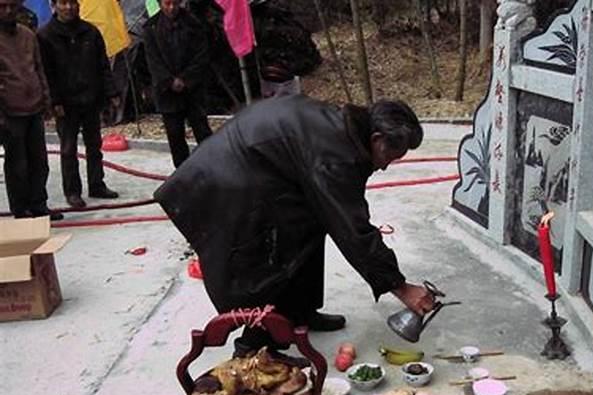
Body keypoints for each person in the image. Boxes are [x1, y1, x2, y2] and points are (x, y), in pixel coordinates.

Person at [154, 95, 436, 355]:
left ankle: (298, 313)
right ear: (376, 138)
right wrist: (400, 286)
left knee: (311, 224)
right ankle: (256, 346)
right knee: (271, 256)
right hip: (229, 181)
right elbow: (353, 229)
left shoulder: (346, 130)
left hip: (252, 166)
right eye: (390, 157)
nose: (386, 167)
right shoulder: (336, 154)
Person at [37, 0, 120, 209]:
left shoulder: (90, 32)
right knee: (68, 149)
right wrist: (54, 101)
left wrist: (111, 93)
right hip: (65, 104)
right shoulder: (45, 36)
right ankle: (72, 191)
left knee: (94, 145)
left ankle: (97, 184)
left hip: (90, 99)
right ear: (54, 5)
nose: (69, 7)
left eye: (72, 2)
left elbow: (103, 66)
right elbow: (46, 73)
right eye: (63, 3)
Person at [0, 0, 62, 220]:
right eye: (2, 7)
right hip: (9, 111)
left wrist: (46, 102)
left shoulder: (27, 35)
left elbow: (38, 69)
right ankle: (21, 208)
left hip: (33, 108)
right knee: (17, 164)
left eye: (11, 6)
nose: (8, 11)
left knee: (39, 161)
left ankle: (39, 203)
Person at [143, 0, 212, 168]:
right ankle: (182, 175)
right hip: (167, 92)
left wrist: (186, 79)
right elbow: (153, 61)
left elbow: (201, 55)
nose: (171, 8)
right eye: (167, 4)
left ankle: (212, 169)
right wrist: (169, 81)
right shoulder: (151, 28)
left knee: (202, 131)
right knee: (175, 135)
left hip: (193, 90)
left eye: (174, 3)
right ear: (160, 4)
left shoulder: (193, 23)